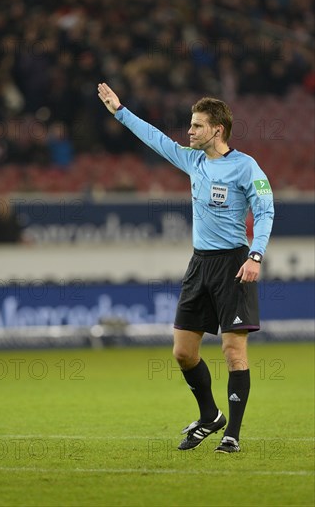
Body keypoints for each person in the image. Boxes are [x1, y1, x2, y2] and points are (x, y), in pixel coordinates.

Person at [98, 82, 274, 454]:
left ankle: (233, 434)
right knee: (182, 352)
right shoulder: (192, 160)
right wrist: (120, 111)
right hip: (199, 265)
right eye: (190, 125)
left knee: (233, 352)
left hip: (233, 265)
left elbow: (265, 210)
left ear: (217, 130)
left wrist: (255, 255)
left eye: (196, 126)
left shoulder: (247, 167)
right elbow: (155, 138)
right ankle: (210, 416)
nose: (189, 131)